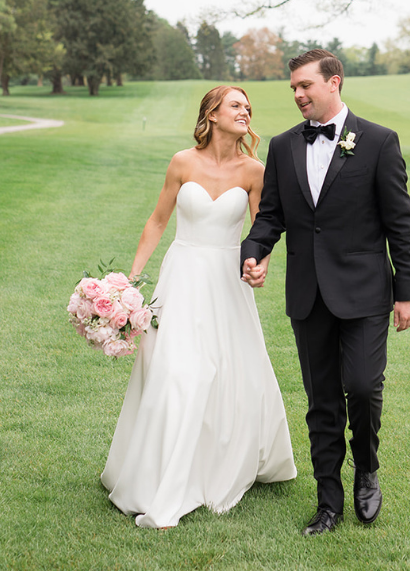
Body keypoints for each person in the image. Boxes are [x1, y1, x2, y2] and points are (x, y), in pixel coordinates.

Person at [240, 48, 410, 536]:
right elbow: (271, 215)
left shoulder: (380, 142)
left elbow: (399, 223)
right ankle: (328, 502)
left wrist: (407, 292)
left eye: (305, 86)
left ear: (334, 82)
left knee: (361, 386)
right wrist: (252, 250)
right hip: (308, 293)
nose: (298, 95)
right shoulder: (281, 146)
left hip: (364, 292)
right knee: (322, 401)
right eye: (293, 88)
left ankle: (367, 469)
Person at [102, 86, 297, 528]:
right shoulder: (182, 162)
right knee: (177, 373)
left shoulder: (254, 170)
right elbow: (157, 221)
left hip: (226, 284)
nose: (245, 111)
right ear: (211, 113)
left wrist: (259, 263)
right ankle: (161, 474)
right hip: (182, 276)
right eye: (235, 105)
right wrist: (130, 281)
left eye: (248, 107)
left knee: (226, 372)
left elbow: (261, 228)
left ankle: (218, 463)